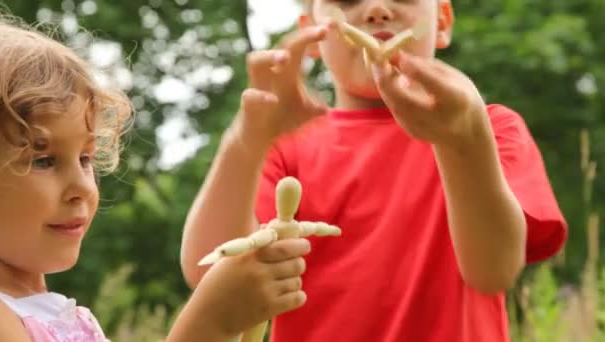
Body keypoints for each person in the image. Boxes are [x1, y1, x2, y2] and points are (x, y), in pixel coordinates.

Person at [180, 0, 568, 341]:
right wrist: (247, 140)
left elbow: (493, 271)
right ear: (312, 33)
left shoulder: (491, 130)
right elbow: (210, 271)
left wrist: (463, 142)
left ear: (443, 20)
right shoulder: (286, 146)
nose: (377, 8)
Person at [0, 16, 309, 342]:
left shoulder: (57, 315)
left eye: (85, 158)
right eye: (44, 160)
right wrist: (211, 321)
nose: (82, 188)